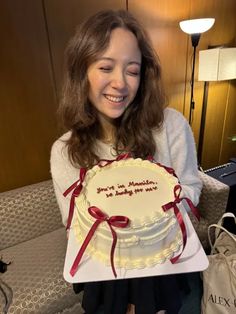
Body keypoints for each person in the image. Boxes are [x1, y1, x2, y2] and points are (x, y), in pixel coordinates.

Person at [50, 9, 202, 314]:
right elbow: (76, 225)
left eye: (132, 70)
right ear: (82, 72)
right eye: (106, 67)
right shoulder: (64, 150)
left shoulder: (170, 126)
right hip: (105, 279)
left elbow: (191, 188)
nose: (120, 82)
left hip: (166, 268)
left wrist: (150, 219)